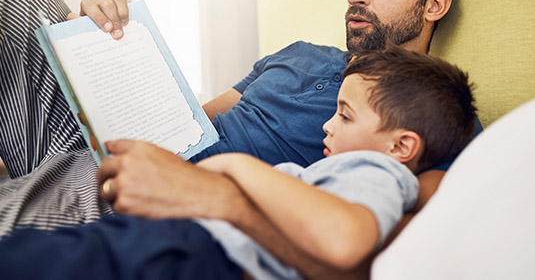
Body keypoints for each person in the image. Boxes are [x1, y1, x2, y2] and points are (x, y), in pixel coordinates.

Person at [0, 0, 478, 278]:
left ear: (434, 4)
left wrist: (214, 193)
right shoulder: (302, 53)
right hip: (122, 144)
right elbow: (188, 118)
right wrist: (93, 51)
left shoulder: (431, 111)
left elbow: (393, 251)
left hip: (141, 198)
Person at [0, 47, 477, 280]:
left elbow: (346, 239)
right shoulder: (305, 58)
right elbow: (193, 117)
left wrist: (235, 169)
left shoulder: (385, 167)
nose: (327, 127)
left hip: (191, 241)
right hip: (155, 193)